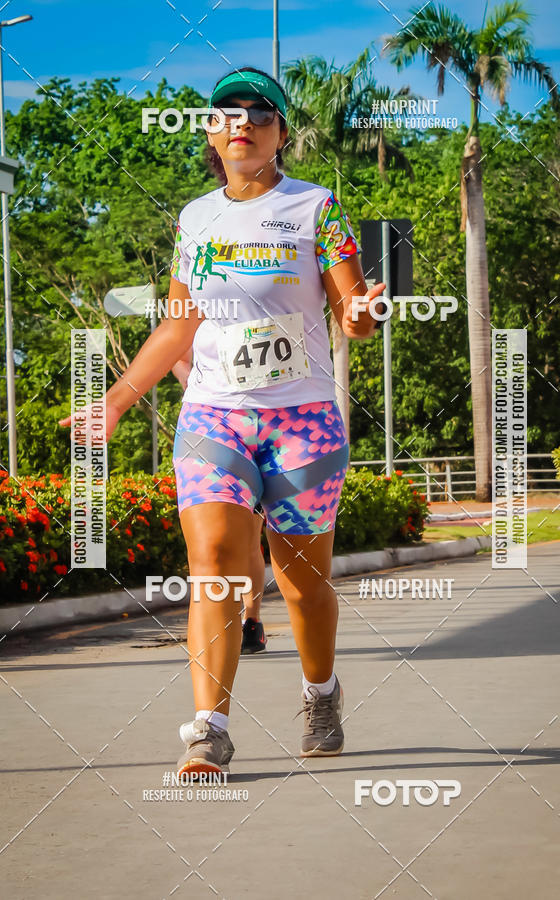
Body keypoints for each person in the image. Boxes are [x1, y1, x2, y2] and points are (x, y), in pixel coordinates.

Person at [61, 66, 384, 779]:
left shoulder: (317, 209)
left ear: (280, 133)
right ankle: (208, 731)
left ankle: (320, 693)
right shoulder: (195, 218)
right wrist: (116, 401)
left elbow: (353, 312)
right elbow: (179, 324)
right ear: (210, 131)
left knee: (302, 582)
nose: (243, 122)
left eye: (260, 113)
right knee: (211, 566)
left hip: (303, 423)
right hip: (216, 418)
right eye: (228, 112)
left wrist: (361, 316)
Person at [172, 348, 267, 655]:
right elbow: (176, 349)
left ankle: (250, 620)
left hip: (269, 422)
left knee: (250, 536)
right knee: (215, 543)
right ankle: (236, 621)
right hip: (213, 425)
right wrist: (199, 386)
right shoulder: (199, 302)